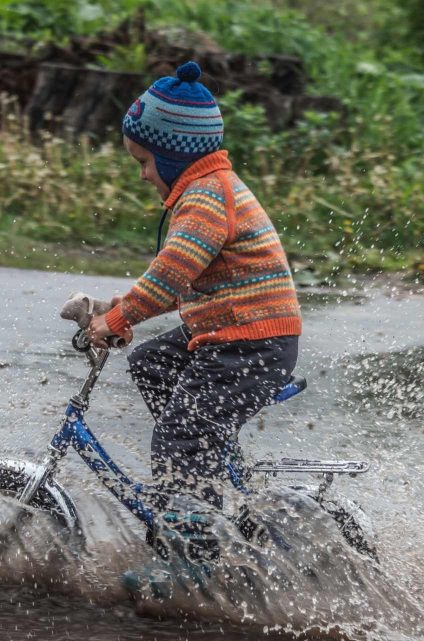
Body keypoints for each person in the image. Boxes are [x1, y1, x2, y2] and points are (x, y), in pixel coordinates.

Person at [88, 61, 301, 511]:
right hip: (235, 331)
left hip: (251, 342)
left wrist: (118, 317)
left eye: (144, 162)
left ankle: (196, 546)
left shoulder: (205, 195)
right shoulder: (205, 189)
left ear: (172, 155)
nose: (142, 175)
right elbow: (185, 281)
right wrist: (128, 309)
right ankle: (213, 462)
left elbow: (170, 274)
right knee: (152, 364)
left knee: (179, 436)